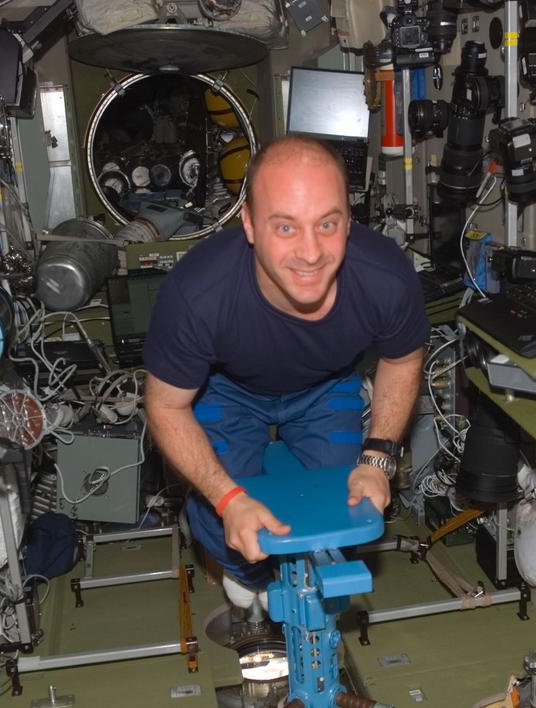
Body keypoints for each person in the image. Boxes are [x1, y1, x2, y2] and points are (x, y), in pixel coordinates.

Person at [143, 135, 429, 613]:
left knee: (350, 507)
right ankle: (246, 573)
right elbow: (165, 405)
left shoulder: (386, 278)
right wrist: (227, 496)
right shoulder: (198, 295)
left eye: (327, 224)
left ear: (348, 220)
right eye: (285, 228)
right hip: (227, 386)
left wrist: (378, 459)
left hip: (326, 383)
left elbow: (401, 360)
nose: (311, 252)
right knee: (224, 517)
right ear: (250, 225)